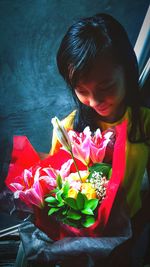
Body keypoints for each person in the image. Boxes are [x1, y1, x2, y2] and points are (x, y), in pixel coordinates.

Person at [15, 13, 150, 267]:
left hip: (128, 235)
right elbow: (57, 187)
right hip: (77, 241)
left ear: (128, 70)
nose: (95, 101)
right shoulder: (67, 129)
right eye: (82, 91)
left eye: (106, 86)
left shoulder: (144, 125)